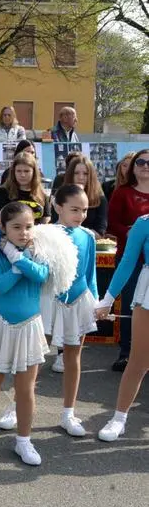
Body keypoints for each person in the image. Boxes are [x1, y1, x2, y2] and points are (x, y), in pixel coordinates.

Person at [0, 202, 50, 466]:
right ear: (3, 228)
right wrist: (20, 265)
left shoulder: (38, 250)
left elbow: (42, 275)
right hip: (1, 323)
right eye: (16, 227)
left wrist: (17, 259)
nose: (23, 232)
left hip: (30, 325)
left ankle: (24, 441)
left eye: (28, 226)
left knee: (25, 389)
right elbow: (1, 286)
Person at [36, 185, 97, 437]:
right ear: (58, 206)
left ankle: (68, 413)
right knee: (36, 355)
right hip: (49, 300)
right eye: (74, 209)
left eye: (84, 210)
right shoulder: (44, 234)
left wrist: (96, 302)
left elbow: (90, 273)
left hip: (78, 300)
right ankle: (17, 405)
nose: (80, 215)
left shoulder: (88, 236)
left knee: (73, 357)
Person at [95, 213, 149, 441]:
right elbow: (127, 262)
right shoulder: (144, 223)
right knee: (138, 361)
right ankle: (119, 418)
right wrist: (107, 300)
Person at [105, 148, 149, 371]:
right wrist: (130, 231)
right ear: (133, 167)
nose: (145, 166)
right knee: (130, 304)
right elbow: (111, 223)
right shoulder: (122, 192)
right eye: (140, 162)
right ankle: (126, 353)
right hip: (130, 258)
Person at [52, 156, 107, 236]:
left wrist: (79, 235)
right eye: (76, 173)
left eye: (85, 174)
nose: (80, 177)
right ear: (70, 175)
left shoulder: (99, 199)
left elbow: (100, 231)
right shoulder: (60, 196)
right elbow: (54, 224)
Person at [0, 153, 49, 225]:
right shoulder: (3, 192)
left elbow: (46, 219)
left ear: (34, 172)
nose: (22, 175)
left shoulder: (42, 193)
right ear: (13, 172)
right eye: (18, 171)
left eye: (26, 171)